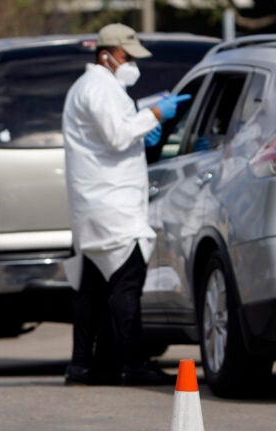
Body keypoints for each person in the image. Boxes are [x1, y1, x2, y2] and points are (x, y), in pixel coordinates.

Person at [62, 23, 188, 385]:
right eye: (126, 56)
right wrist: (155, 115)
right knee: (126, 283)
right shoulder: (98, 87)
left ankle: (85, 364)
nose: (131, 63)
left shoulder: (97, 87)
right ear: (106, 55)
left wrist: (144, 126)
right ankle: (133, 363)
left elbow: (113, 134)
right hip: (110, 205)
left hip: (99, 203)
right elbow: (117, 135)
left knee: (93, 288)